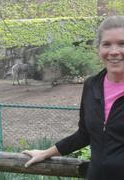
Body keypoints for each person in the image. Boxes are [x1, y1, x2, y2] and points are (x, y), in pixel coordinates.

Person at [22, 16, 124, 180]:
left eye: (121, 43)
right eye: (107, 44)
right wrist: (46, 153)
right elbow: (84, 134)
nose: (114, 51)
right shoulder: (91, 86)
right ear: (98, 49)